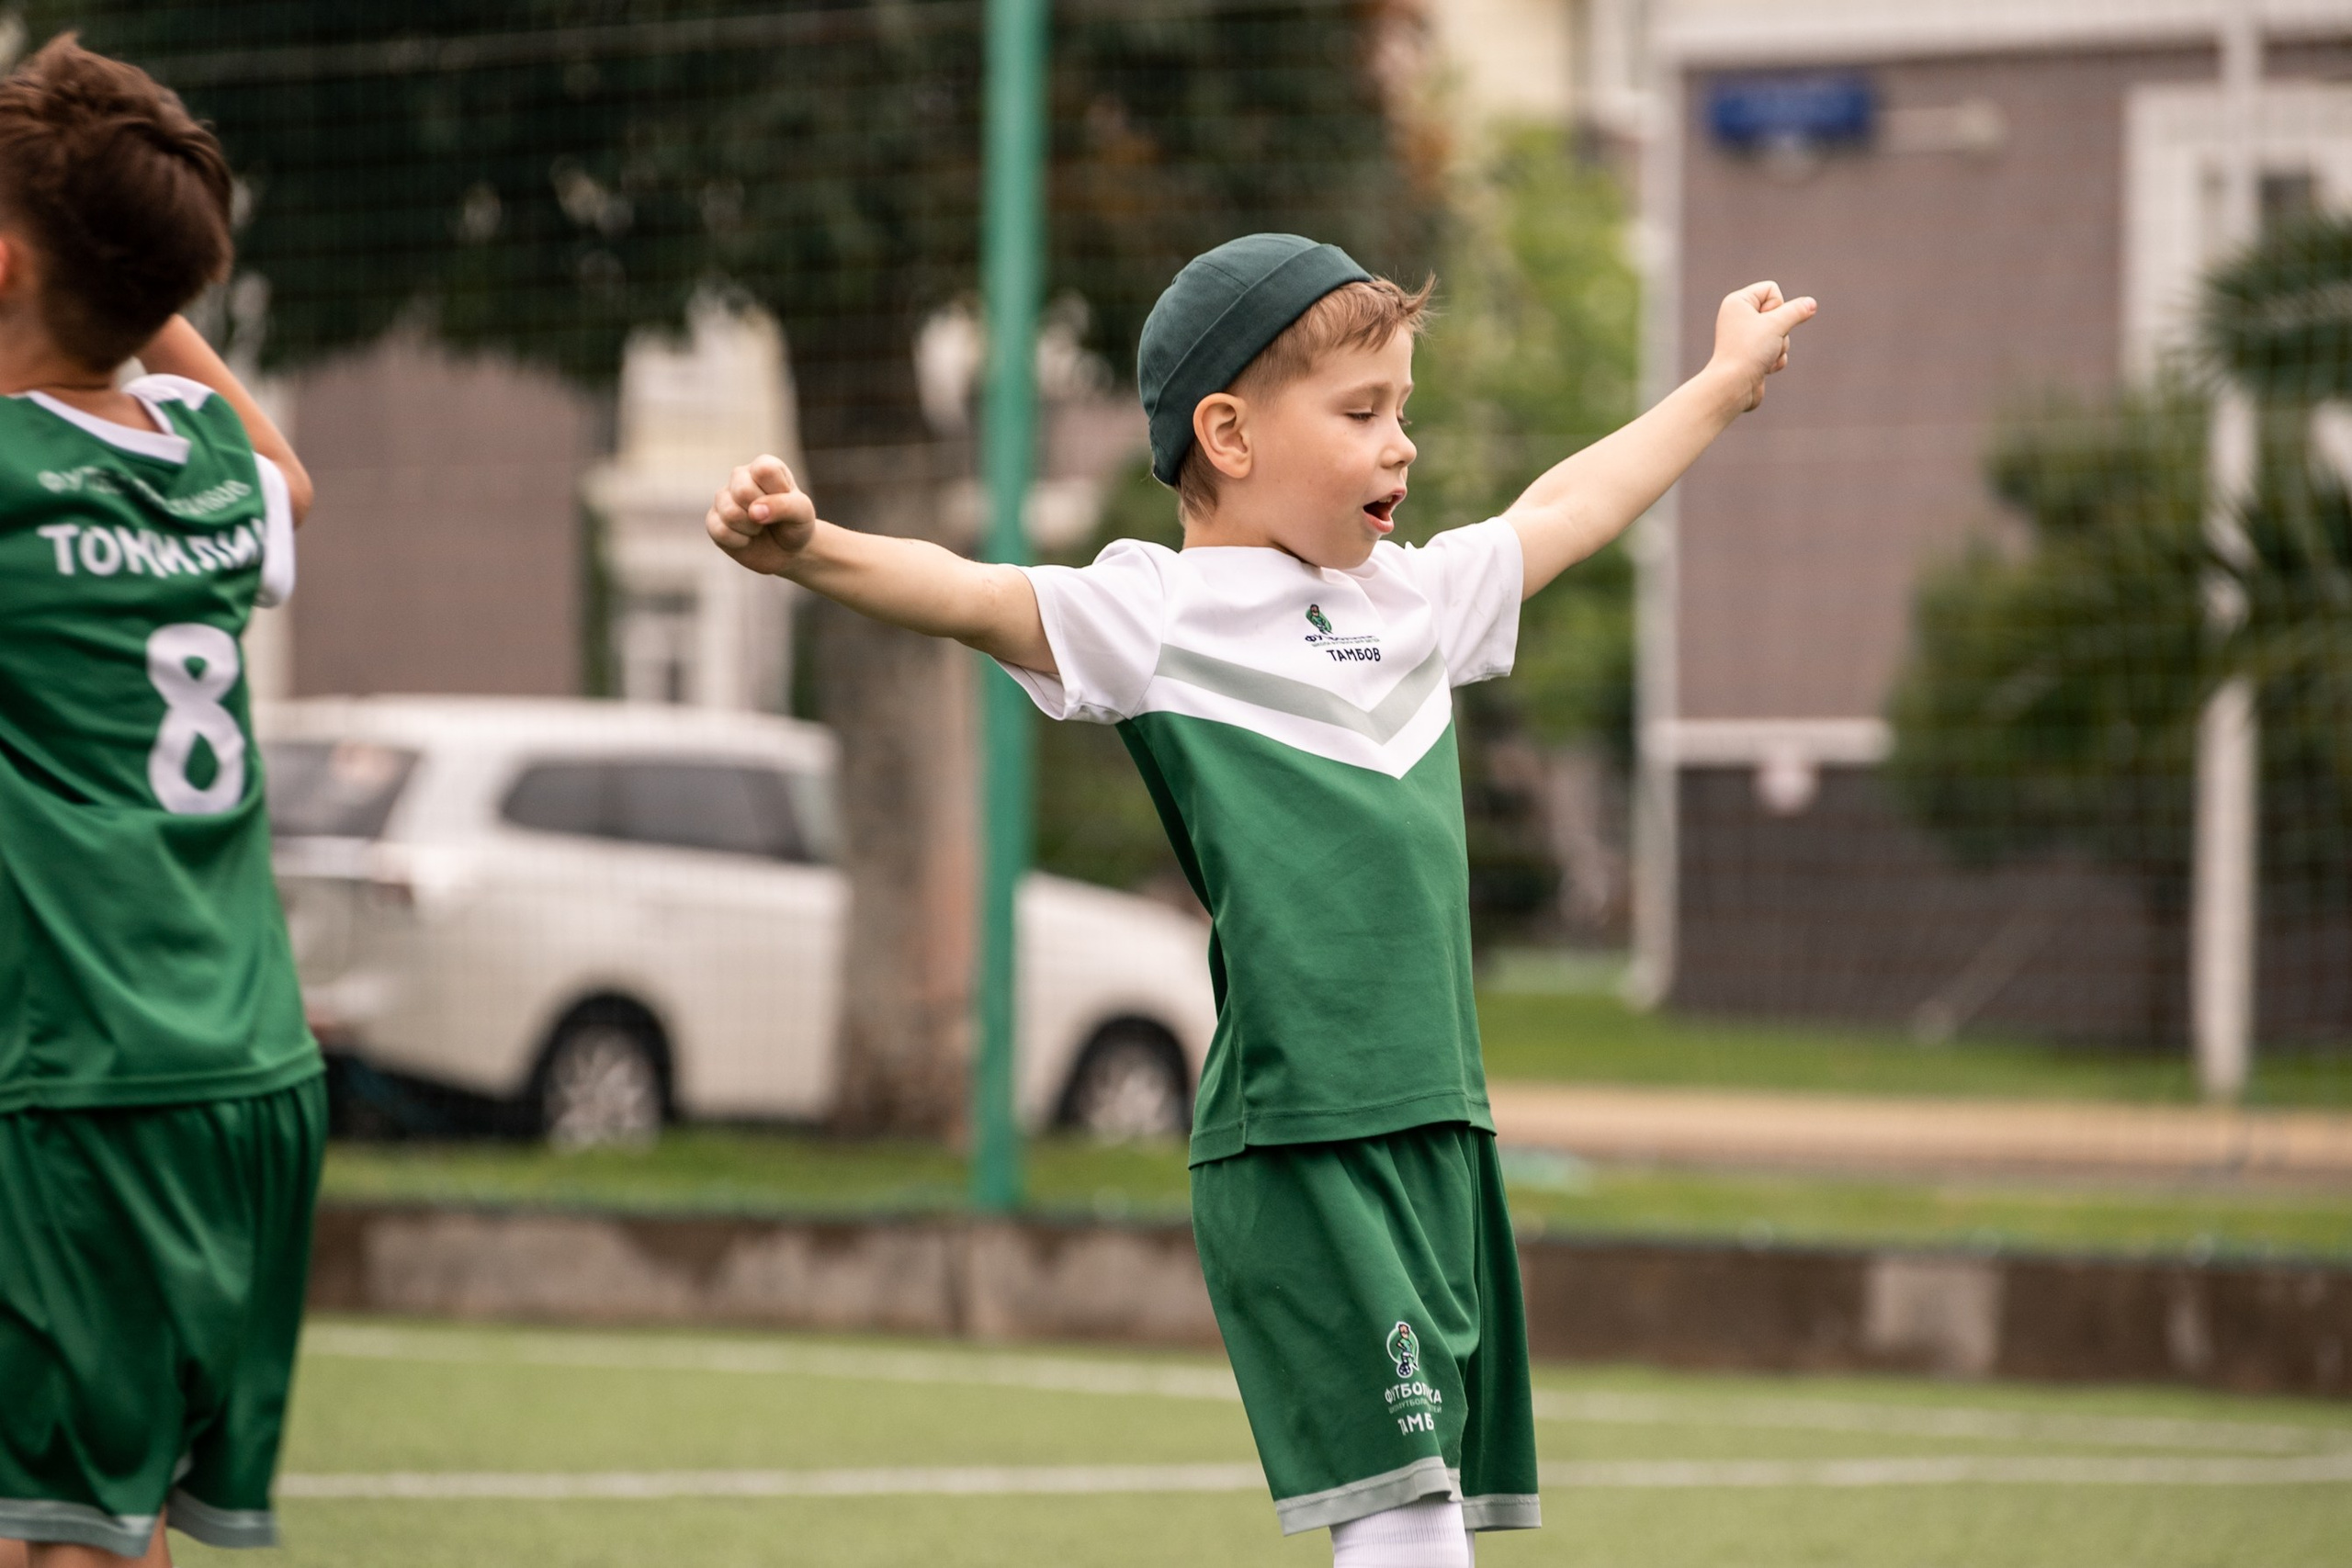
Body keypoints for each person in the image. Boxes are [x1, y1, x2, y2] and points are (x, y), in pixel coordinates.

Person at [707, 232, 1811, 1566]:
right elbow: (974, 595)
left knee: (1433, 1510)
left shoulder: (1412, 600)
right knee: (1406, 1522)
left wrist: (1719, 383)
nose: (1401, 444)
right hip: (1301, 1138)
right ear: (1227, 435)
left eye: (1403, 409)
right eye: (1362, 413)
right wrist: (811, 548)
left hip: (1441, 1128)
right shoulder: (1158, 612)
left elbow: (1567, 505)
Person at [0, 35, 322, 1568]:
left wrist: (119, 280)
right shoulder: (209, 464)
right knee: (103, 1514)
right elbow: (290, 480)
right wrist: (131, 282)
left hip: (83, 1074)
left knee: (55, 1533)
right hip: (247, 1069)